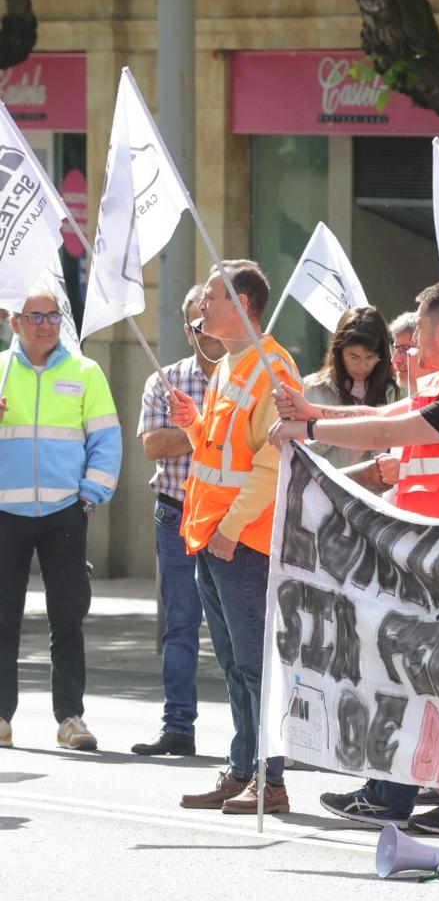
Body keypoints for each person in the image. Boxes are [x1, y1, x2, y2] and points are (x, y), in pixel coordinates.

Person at [281, 281, 439, 836]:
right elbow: (399, 410)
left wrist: (311, 427)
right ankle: (391, 794)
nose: (411, 339)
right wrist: (313, 408)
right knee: (413, 675)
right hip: (434, 556)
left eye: (417, 327)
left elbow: (394, 428)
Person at [169, 261, 301, 813]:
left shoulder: (272, 368)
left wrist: (227, 530)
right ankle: (243, 769)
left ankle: (270, 783)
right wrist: (195, 425)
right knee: (233, 664)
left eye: (212, 299)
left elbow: (273, 465)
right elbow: (226, 452)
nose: (201, 308)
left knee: (254, 666)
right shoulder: (231, 365)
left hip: (240, 541)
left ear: (242, 303)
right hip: (215, 538)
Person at [0, 284, 122, 752]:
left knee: (67, 620)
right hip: (5, 515)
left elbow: (106, 441)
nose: (46, 324)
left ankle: (70, 717)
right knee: (2, 619)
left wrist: (89, 496)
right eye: (36, 316)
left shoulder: (86, 372)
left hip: (65, 514)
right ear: (15, 323)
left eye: (53, 315)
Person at [131, 284, 222, 756]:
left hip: (231, 517)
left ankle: (257, 742)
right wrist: (208, 428)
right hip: (177, 511)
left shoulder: (247, 380)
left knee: (239, 629)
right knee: (181, 621)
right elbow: (153, 447)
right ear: (188, 330)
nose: (208, 330)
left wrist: (186, 430)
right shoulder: (163, 381)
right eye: (198, 323)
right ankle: (178, 727)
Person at [301, 305, 399, 489]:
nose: (362, 365)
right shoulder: (311, 389)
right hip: (325, 497)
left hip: (377, 504)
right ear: (339, 352)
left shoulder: (397, 392)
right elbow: (298, 452)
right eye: (354, 357)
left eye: (370, 357)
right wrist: (337, 432)